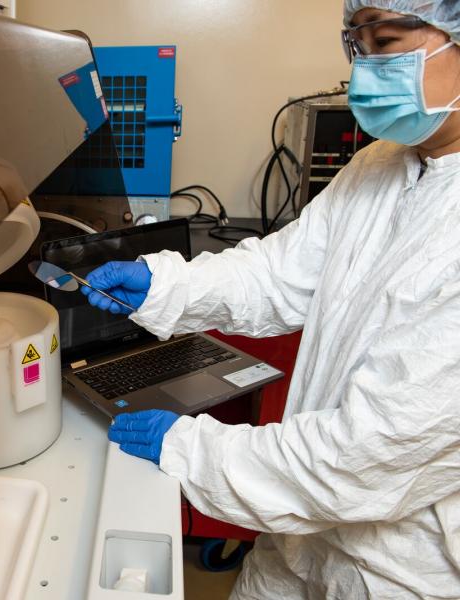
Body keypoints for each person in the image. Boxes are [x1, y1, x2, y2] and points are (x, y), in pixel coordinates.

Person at [82, 2, 460, 598]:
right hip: (298, 542)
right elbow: (280, 274)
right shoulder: (378, 164)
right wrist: (164, 284)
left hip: (397, 568)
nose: (364, 73)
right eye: (355, 47)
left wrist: (191, 449)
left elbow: (367, 452)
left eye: (385, 42)